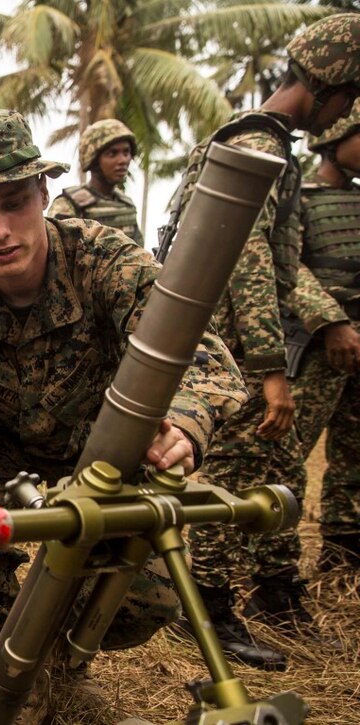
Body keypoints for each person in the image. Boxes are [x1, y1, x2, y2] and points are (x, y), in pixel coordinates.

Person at [0, 109, 247, 697]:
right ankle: (4, 663)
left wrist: (184, 421)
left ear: (43, 194)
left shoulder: (107, 261)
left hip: (103, 452)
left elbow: (202, 355)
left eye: (14, 204)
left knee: (150, 594)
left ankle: (57, 659)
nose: (1, 231)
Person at [172, 13, 360, 669]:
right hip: (234, 349)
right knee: (230, 477)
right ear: (329, 85)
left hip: (241, 342)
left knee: (275, 472)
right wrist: (270, 368)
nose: (347, 110)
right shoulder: (260, 144)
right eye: (349, 96)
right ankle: (206, 607)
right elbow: (247, 258)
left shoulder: (264, 139)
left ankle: (275, 593)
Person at [284, 101, 360, 572]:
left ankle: (343, 547)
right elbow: (289, 266)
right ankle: (274, 559)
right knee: (289, 455)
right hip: (318, 347)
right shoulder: (301, 197)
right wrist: (332, 323)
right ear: (335, 137)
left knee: (355, 453)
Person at [48, 118, 143, 245]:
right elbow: (55, 251)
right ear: (93, 161)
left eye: (126, 152)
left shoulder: (126, 205)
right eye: (112, 154)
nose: (123, 160)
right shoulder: (69, 205)